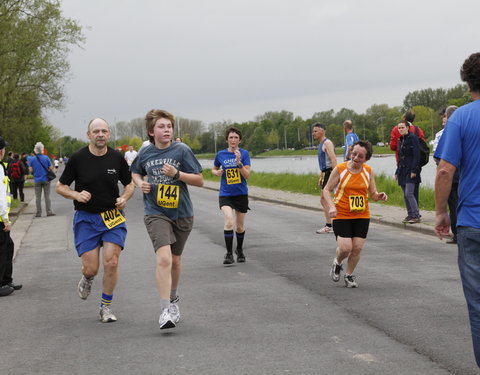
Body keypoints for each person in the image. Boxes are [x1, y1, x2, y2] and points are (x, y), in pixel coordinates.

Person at [56, 118, 134, 323]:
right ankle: (88, 278)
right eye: (96, 131)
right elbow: (60, 186)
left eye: (104, 131)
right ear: (88, 134)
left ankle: (105, 308)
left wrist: (124, 198)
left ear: (109, 134)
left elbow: (130, 184)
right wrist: (76, 195)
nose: (100, 134)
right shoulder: (78, 158)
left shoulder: (117, 158)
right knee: (92, 267)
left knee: (112, 261)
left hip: (112, 217)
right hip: (86, 218)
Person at [131, 109, 203, 330]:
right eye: (162, 127)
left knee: (175, 260)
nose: (167, 130)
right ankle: (164, 309)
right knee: (164, 259)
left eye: (169, 126)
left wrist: (177, 174)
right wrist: (139, 183)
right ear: (152, 132)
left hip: (181, 212)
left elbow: (200, 180)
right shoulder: (146, 153)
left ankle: (173, 299)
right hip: (155, 212)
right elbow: (134, 171)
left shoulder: (181, 150)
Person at [435, 52, 480, 368]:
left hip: (472, 222)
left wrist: (440, 212)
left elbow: (444, 171)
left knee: (477, 304)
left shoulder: (461, 118)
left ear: (466, 83)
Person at [323, 140, 388, 288]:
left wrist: (380, 196)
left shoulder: (368, 171)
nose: (356, 158)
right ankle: (337, 262)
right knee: (346, 248)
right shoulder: (340, 169)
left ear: (366, 158)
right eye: (354, 154)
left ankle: (349, 275)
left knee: (357, 248)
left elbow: (373, 193)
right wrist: (331, 206)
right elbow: (326, 189)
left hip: (362, 215)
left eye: (360, 156)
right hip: (342, 213)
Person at [212, 127, 251, 265]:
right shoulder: (221, 154)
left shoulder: (244, 154)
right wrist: (215, 173)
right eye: (231, 137)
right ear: (227, 139)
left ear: (239, 140)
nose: (233, 140)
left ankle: (239, 250)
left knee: (239, 226)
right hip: (225, 193)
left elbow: (247, 175)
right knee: (229, 221)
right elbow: (214, 168)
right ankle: (228, 253)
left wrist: (239, 163)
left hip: (240, 193)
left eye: (236, 137)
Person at [0, 137, 22, 297]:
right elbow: (0, 195)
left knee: (8, 246)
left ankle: (7, 280)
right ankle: (2, 283)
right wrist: (5, 219)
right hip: (0, 218)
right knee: (3, 249)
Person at [433, 105, 458, 243]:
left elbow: (441, 161)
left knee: (453, 205)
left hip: (453, 175)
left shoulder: (446, 133)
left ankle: (457, 233)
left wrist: (440, 211)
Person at [389, 111, 424, 205]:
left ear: (404, 118)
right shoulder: (418, 130)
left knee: (406, 191)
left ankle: (413, 213)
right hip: (417, 163)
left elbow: (392, 146)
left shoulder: (396, 129)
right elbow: (423, 146)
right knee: (414, 189)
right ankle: (415, 210)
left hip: (402, 163)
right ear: (414, 119)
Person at [312, 123, 337, 234]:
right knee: (324, 199)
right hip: (325, 173)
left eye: (315, 131)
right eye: (313, 131)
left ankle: (329, 225)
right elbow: (323, 163)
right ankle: (331, 223)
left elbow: (333, 160)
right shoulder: (321, 144)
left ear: (322, 131)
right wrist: (321, 176)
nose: (313, 133)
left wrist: (335, 175)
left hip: (330, 172)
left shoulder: (327, 143)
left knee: (324, 199)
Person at [395, 120, 421, 224]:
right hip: (402, 170)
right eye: (399, 128)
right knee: (405, 194)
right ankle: (410, 214)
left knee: (409, 193)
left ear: (407, 128)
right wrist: (397, 172)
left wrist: (414, 170)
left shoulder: (413, 138)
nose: (400, 129)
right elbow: (400, 158)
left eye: (402, 127)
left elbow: (417, 155)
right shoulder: (400, 140)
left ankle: (416, 215)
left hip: (411, 170)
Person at [29, 142, 55, 217]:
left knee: (38, 197)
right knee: (47, 196)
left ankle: (38, 212)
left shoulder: (32, 159)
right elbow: (50, 167)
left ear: (35, 150)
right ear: (42, 149)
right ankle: (49, 211)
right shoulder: (46, 158)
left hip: (37, 180)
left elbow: (30, 170)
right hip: (46, 179)